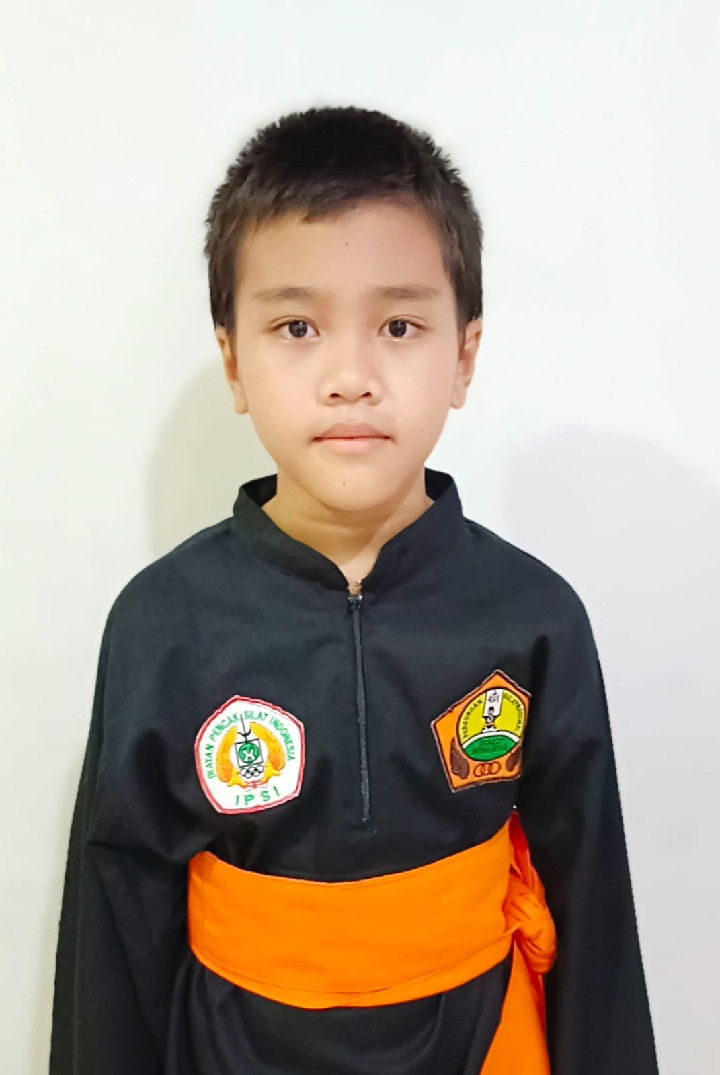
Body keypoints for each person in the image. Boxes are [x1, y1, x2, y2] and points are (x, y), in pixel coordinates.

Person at [49, 104, 658, 1075]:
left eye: (399, 325)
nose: (350, 375)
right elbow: (114, 933)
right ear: (233, 360)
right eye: (297, 326)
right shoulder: (163, 623)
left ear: (463, 357)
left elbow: (595, 917)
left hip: (483, 1042)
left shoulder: (533, 616)